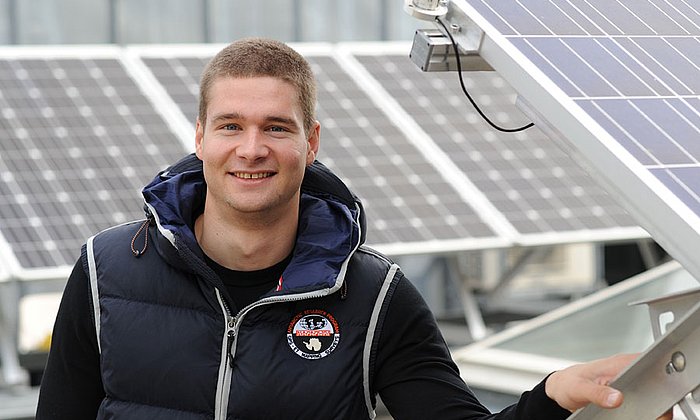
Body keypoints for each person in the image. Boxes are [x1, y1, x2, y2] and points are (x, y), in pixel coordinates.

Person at [36, 37, 671, 420]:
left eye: (276, 128)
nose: (251, 148)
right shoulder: (107, 271)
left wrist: (554, 394)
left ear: (310, 143)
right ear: (199, 137)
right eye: (230, 125)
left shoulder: (375, 297)